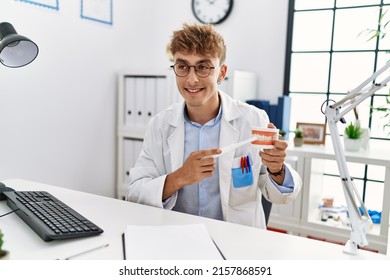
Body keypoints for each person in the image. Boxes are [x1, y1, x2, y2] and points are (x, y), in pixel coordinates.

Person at [127, 23, 302, 229]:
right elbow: (135, 192)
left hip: (235, 241)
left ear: (221, 73)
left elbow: (281, 196)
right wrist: (179, 177)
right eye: (182, 66)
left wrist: (276, 170)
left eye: (203, 67)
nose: (192, 79)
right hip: (176, 239)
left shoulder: (253, 120)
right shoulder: (160, 125)